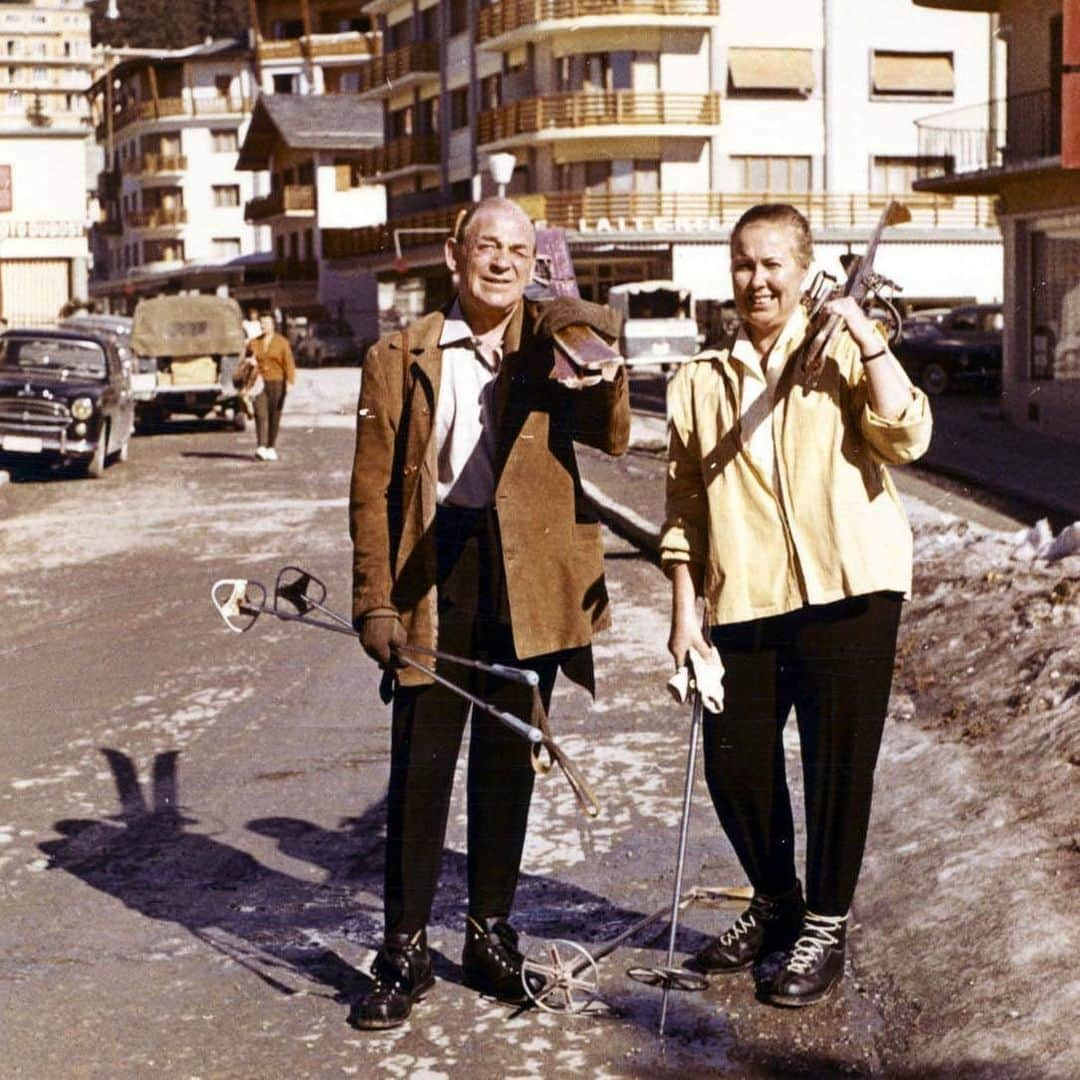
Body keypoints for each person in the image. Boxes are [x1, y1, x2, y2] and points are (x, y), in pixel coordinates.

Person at [348, 197, 629, 1029]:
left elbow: (611, 433)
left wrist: (594, 338)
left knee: (509, 761)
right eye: (486, 246)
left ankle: (488, 933)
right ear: (453, 254)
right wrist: (374, 598)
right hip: (436, 570)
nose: (501, 262)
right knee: (422, 768)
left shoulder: (555, 345)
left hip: (528, 574)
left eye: (518, 249)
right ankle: (404, 949)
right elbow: (370, 488)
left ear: (532, 263)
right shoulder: (396, 355)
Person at [661, 203, 932, 1007]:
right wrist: (684, 611)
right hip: (745, 596)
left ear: (805, 269)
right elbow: (684, 504)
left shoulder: (843, 353)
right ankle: (777, 899)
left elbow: (908, 434)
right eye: (744, 263)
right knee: (734, 761)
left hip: (852, 590)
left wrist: (867, 336)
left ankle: (826, 921)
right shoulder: (702, 381)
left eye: (774, 262)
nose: (757, 278)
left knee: (836, 768)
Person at [247, 312, 295, 461]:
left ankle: (270, 447)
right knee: (260, 414)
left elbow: (289, 364)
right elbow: (246, 359)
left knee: (275, 415)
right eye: (261, 323)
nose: (263, 325)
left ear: (273, 324)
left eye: (266, 322)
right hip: (259, 383)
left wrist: (290, 382)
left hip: (277, 382)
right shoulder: (254, 343)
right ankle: (261, 446)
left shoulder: (282, 342)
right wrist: (250, 363)